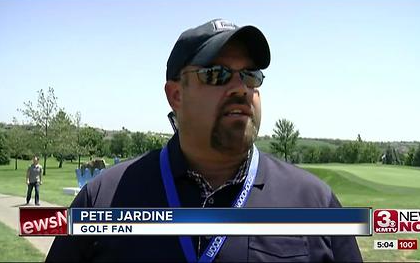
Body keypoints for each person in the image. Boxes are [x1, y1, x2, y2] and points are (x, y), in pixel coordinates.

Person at [46, 18, 362, 262]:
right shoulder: (103, 200)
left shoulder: (314, 203)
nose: (241, 88)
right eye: (216, 74)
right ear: (176, 95)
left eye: (250, 74)